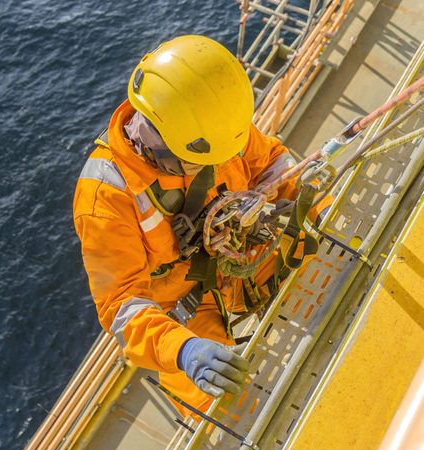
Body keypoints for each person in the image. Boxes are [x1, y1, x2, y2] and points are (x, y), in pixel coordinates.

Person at [72, 35, 330, 416]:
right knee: (225, 407)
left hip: (246, 252)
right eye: (196, 164)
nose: (214, 165)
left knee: (328, 270)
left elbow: (271, 164)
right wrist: (183, 350)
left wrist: (316, 209)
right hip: (187, 312)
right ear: (162, 147)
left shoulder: (211, 126)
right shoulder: (106, 196)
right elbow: (120, 304)